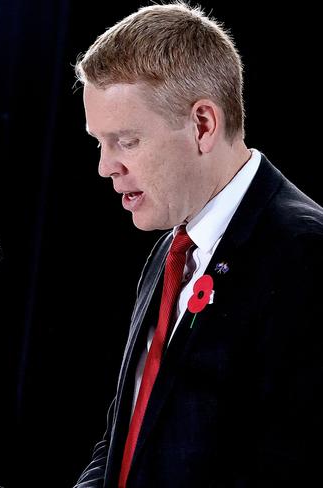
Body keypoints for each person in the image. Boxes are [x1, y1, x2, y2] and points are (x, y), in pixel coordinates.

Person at [73, 3, 323, 487]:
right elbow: (128, 438)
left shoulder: (305, 256)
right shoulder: (172, 249)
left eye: (126, 141)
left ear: (203, 125)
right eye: (98, 143)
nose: (106, 167)